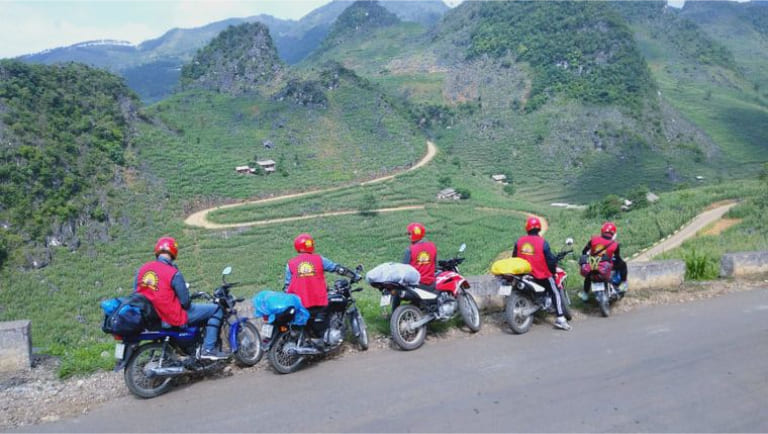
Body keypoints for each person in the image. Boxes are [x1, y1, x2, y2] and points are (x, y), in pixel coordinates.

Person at [134, 236, 230, 360]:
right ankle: (208, 349)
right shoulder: (173, 272)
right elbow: (185, 302)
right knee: (216, 309)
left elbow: (137, 293)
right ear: (173, 252)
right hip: (170, 315)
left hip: (150, 317)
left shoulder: (141, 271)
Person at [284, 233, 348, 341]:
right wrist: (352, 274)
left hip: (298, 302)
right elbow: (336, 268)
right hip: (318, 301)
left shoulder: (290, 264)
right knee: (327, 311)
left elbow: (287, 285)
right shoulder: (319, 259)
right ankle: (324, 337)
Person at [512, 216, 571, 331]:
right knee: (555, 290)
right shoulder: (543, 242)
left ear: (527, 228)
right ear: (539, 228)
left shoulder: (519, 241)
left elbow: (514, 257)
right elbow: (550, 261)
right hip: (540, 275)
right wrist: (553, 272)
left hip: (523, 274)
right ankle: (560, 318)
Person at [578, 221, 628, 301]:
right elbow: (617, 258)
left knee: (589, 276)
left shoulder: (593, 239)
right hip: (607, 266)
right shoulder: (615, 245)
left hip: (594, 264)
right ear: (613, 233)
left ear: (602, 231)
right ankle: (623, 283)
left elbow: (584, 251)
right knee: (623, 264)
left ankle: (585, 294)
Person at [402, 222, 437, 288]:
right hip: (431, 284)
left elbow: (404, 270)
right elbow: (435, 266)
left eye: (409, 234)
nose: (408, 237)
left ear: (413, 235)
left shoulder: (410, 249)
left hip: (415, 284)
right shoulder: (433, 246)